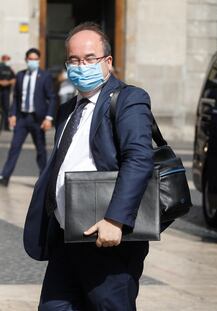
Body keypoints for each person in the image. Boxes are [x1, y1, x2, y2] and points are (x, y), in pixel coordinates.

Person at [23, 22, 153, 310]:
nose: (81, 66)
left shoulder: (129, 99)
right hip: (65, 238)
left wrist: (115, 219)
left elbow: (139, 158)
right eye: (74, 60)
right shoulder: (68, 108)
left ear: (107, 62)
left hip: (106, 240)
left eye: (89, 59)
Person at [0, 49, 56, 186]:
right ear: (26, 60)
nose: (33, 61)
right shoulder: (20, 76)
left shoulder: (45, 76)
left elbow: (52, 98)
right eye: (31, 59)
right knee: (14, 147)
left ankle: (43, 179)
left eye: (36, 59)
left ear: (39, 60)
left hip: (38, 119)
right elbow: (16, 97)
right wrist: (12, 114)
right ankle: (5, 176)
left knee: (41, 150)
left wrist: (49, 118)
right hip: (22, 119)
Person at [0, 54, 16, 131]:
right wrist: (1, 82)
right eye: (5, 59)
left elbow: (14, 79)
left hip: (6, 91)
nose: (7, 61)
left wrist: (8, 82)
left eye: (8, 59)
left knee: (6, 108)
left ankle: (6, 126)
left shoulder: (10, 69)